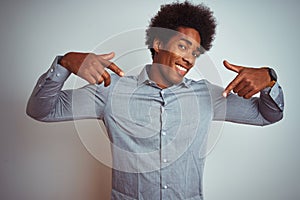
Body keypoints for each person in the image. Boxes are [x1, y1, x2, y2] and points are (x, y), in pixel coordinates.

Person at [26, 1, 284, 200]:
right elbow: (42, 111)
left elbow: (266, 115)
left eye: (195, 53)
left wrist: (270, 79)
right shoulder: (110, 91)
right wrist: (64, 64)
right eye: (183, 47)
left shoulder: (207, 96)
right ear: (158, 43)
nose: (189, 59)